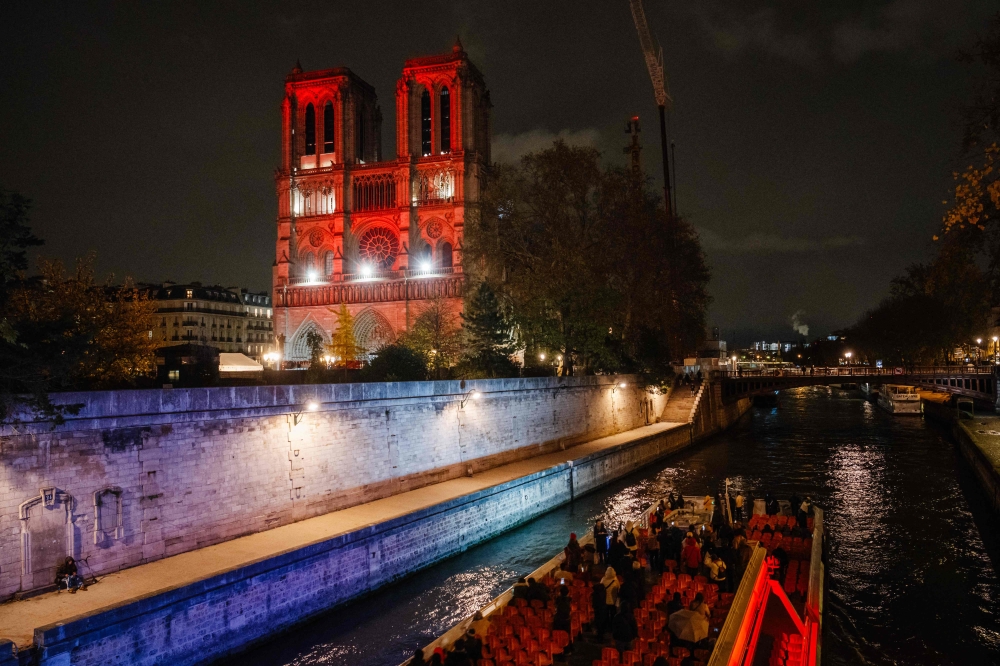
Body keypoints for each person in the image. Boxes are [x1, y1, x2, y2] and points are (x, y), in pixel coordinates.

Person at [601, 567, 620, 633]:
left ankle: (606, 626)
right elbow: (618, 588)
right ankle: (612, 626)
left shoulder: (603, 579)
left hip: (605, 600)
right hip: (613, 600)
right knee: (613, 613)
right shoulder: (615, 580)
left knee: (605, 614)